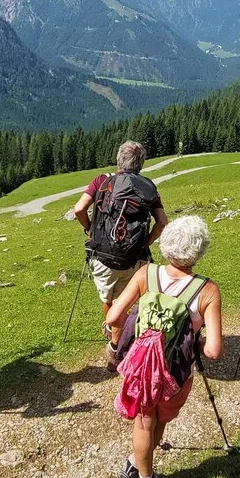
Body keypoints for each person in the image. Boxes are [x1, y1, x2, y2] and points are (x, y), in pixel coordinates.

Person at [106, 215, 223, 478]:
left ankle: (137, 469)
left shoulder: (145, 273)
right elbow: (214, 350)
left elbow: (112, 317)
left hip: (141, 367)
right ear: (199, 250)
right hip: (176, 371)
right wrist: (197, 337)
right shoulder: (207, 290)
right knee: (159, 419)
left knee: (143, 420)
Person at [72, 141, 168, 366]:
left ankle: (115, 346)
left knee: (109, 299)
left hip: (103, 255)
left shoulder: (102, 181)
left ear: (118, 160)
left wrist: (89, 230)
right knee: (125, 299)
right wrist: (146, 242)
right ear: (141, 164)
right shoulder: (149, 187)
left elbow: (78, 209)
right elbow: (162, 221)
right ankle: (119, 337)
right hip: (133, 256)